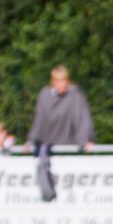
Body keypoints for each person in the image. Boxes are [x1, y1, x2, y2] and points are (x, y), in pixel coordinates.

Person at [27, 65, 95, 202]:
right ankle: (48, 194)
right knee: (42, 162)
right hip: (48, 143)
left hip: (68, 143)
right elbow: (39, 119)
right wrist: (32, 140)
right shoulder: (45, 94)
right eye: (58, 81)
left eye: (63, 80)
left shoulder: (75, 95)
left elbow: (82, 118)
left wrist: (86, 140)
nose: (61, 84)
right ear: (53, 81)